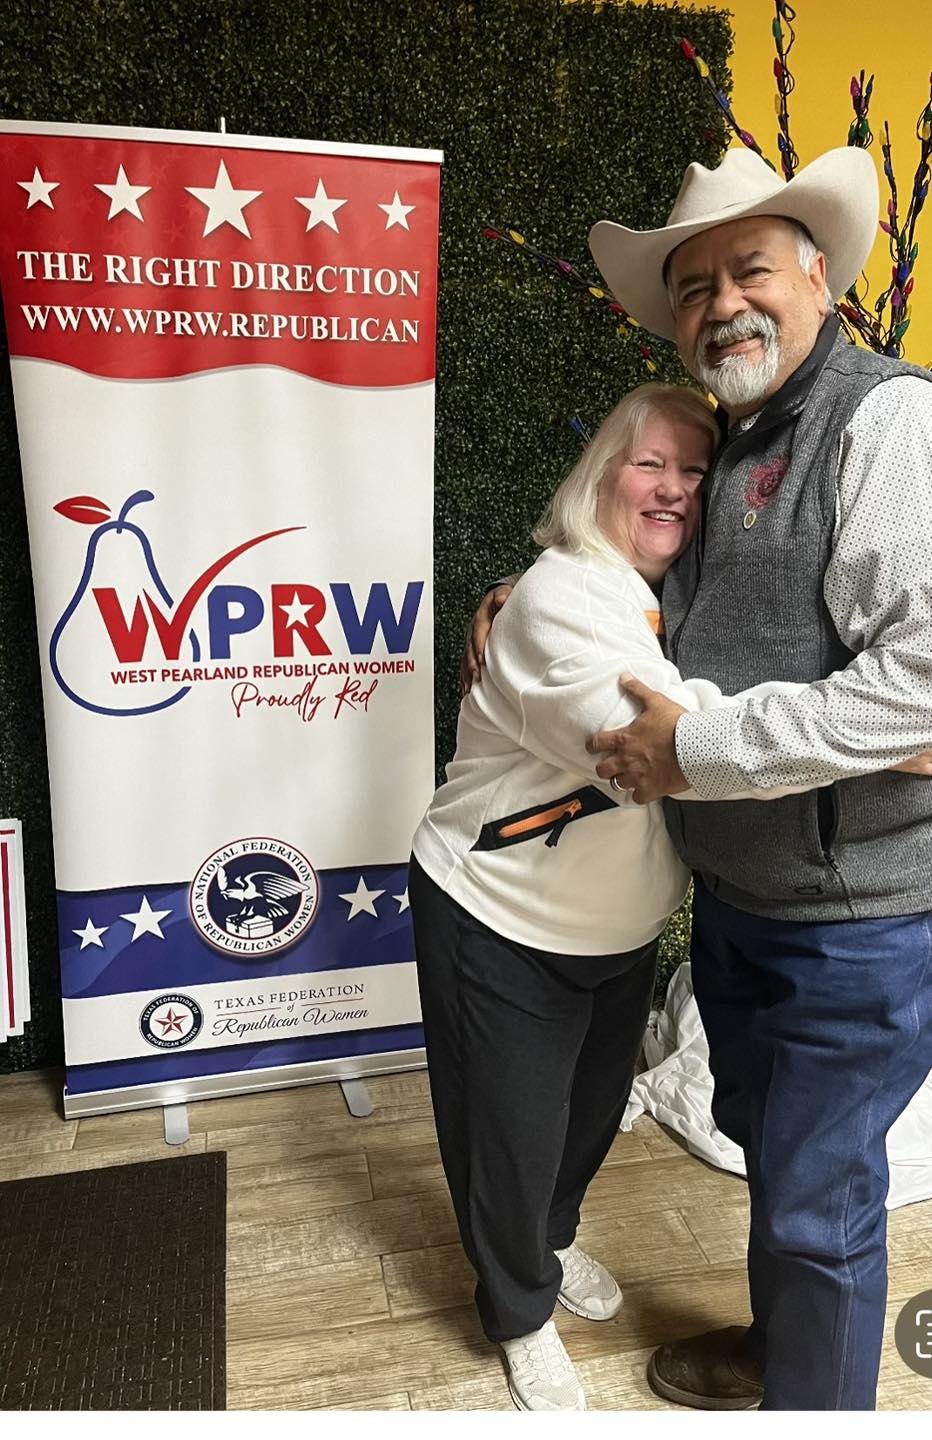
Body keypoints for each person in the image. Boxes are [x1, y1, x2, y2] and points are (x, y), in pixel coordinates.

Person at [467, 145, 932, 1412]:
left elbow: (920, 687)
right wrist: (520, 597)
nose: (721, 303)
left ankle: (813, 1405)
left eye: (749, 270)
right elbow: (649, 583)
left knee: (819, 1199)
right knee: (779, 1164)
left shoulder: (885, 423)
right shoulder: (729, 439)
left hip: (852, 920)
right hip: (738, 901)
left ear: (819, 278)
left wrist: (695, 750)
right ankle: (786, 1353)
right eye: (692, 287)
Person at [411, 381, 840, 1413]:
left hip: (619, 926)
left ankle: (547, 1246)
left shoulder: (672, 599)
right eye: (650, 463)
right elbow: (657, 748)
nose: (675, 487)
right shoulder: (555, 599)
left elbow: (708, 675)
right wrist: (871, 729)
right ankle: (517, 1311)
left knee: (589, 1116)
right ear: (597, 477)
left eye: (697, 470)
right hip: (500, 914)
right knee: (509, 1137)